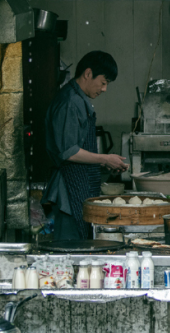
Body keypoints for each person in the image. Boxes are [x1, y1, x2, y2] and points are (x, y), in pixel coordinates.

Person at [43, 51, 129, 241]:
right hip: (69, 189)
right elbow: (68, 151)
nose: (104, 89)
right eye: (103, 82)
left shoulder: (79, 99)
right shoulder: (71, 102)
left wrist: (102, 163)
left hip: (79, 186)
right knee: (70, 248)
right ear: (88, 74)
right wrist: (104, 158)